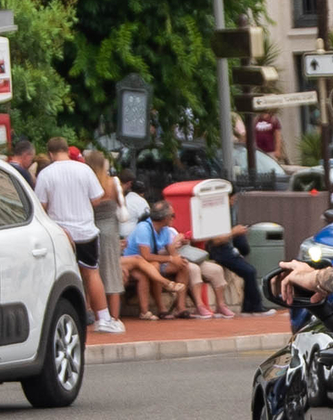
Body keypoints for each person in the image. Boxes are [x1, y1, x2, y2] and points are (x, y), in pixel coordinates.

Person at [33, 136, 120, 333]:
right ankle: (104, 318)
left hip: (61, 234)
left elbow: (41, 206)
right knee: (92, 273)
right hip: (86, 230)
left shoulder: (46, 174)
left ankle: (66, 317)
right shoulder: (84, 170)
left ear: (50, 153)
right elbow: (96, 198)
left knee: (61, 276)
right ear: (66, 149)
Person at [122, 201, 205, 318]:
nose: (173, 218)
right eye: (172, 216)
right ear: (165, 217)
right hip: (137, 264)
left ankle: (180, 307)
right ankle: (161, 308)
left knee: (183, 265)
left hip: (153, 261)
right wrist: (171, 259)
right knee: (155, 266)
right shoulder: (144, 228)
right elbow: (146, 256)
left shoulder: (165, 229)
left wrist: (177, 259)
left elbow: (172, 251)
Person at [192, 222, 270, 315]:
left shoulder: (231, 213)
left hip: (230, 251)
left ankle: (248, 306)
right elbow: (216, 241)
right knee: (249, 271)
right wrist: (234, 232)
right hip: (220, 253)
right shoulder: (214, 217)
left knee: (249, 271)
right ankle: (253, 307)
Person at [88, 149, 127, 321]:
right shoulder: (112, 182)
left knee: (92, 272)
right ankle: (115, 317)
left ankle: (97, 316)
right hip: (110, 231)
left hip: (92, 229)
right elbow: (122, 205)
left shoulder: (89, 183)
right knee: (112, 272)